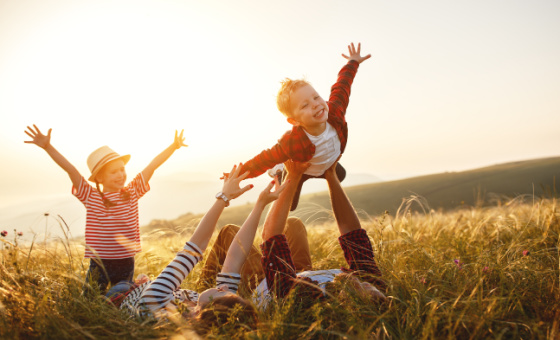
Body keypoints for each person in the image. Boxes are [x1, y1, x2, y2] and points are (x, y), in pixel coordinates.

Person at [112, 164, 287, 335]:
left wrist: (224, 197)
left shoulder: (154, 306)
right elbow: (235, 257)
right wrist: (260, 205)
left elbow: (195, 247)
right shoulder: (211, 309)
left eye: (223, 292)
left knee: (116, 284)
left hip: (125, 291)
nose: (224, 287)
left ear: (201, 312)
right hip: (155, 287)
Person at [200, 159, 386, 307]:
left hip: (268, 281)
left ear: (351, 301)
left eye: (373, 294)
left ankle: (203, 297)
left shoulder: (305, 298)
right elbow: (351, 232)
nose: (374, 289)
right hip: (300, 272)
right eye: (380, 293)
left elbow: (271, 235)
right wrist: (331, 175)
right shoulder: (370, 281)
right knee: (294, 224)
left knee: (229, 232)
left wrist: (294, 176)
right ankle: (284, 177)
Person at [24, 125, 186, 294]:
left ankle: (128, 300)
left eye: (122, 169)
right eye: (113, 172)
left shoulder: (132, 192)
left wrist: (173, 146)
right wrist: (48, 147)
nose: (120, 175)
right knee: (91, 298)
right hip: (99, 262)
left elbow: (152, 166)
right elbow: (71, 170)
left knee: (122, 299)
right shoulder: (91, 196)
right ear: (100, 177)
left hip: (126, 261)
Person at [232, 42, 371, 211]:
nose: (315, 104)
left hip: (325, 163)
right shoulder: (292, 143)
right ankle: (279, 171)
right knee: (290, 206)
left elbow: (342, 86)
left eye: (316, 97)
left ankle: (324, 169)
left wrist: (353, 62)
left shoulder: (335, 111)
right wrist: (238, 175)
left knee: (340, 175)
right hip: (302, 168)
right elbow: (265, 158)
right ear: (294, 121)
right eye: (304, 105)